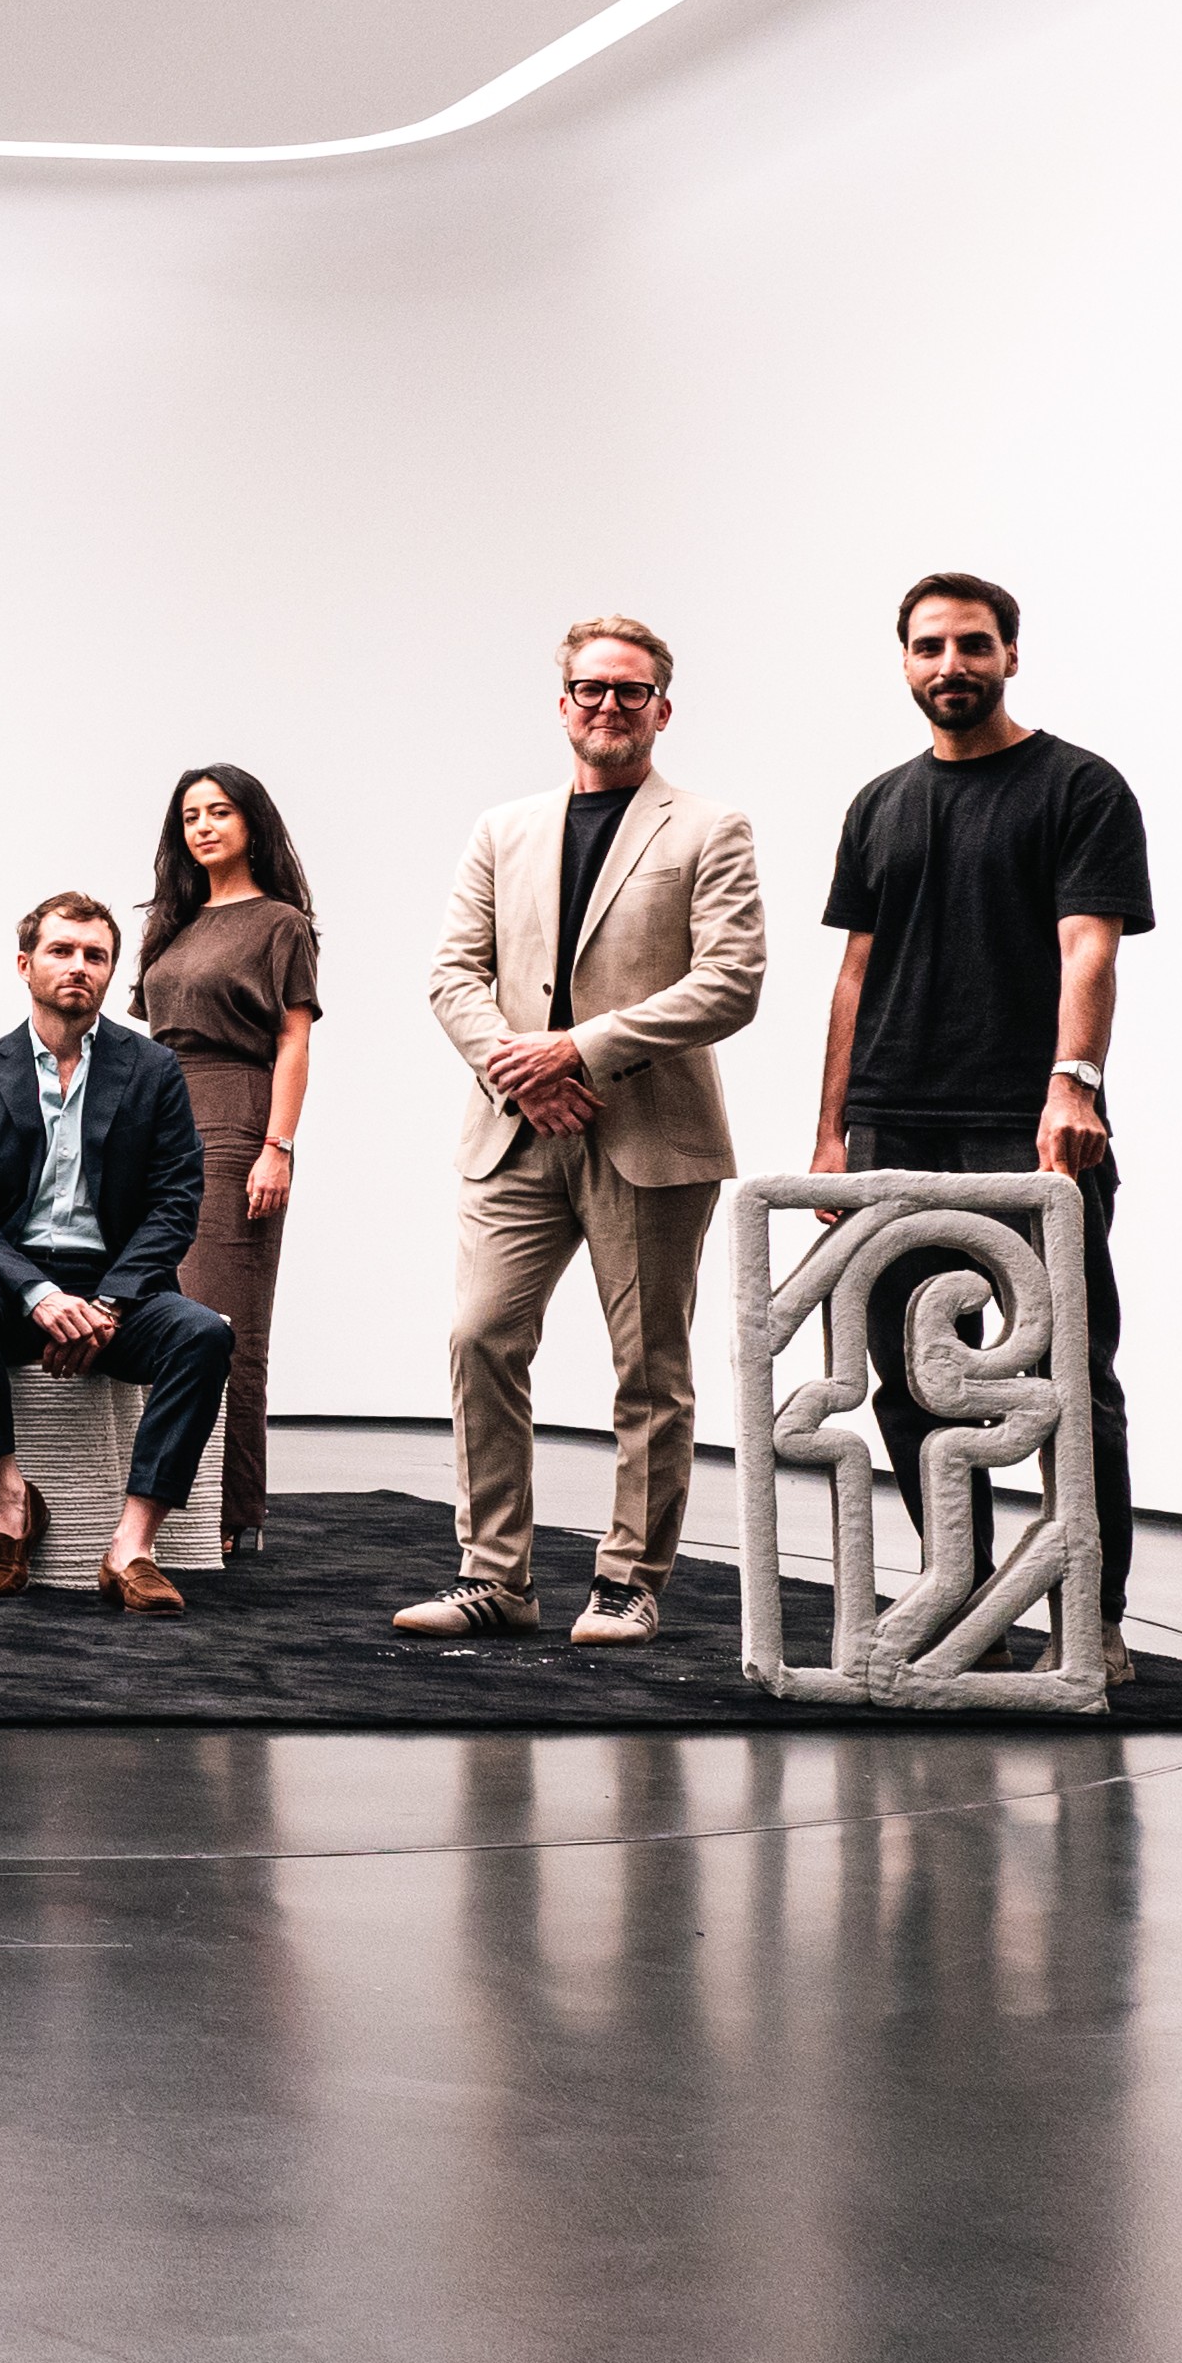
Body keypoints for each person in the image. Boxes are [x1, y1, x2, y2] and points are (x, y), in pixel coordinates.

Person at [812, 571, 1154, 1672]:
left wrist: (1073, 1084)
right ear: (905, 663)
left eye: (970, 644)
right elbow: (854, 976)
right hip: (891, 1127)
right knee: (914, 1381)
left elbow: (1087, 946)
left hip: (1026, 1123)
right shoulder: (878, 804)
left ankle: (1091, 1618)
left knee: (1068, 1382)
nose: (949, 665)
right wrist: (831, 1133)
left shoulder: (1079, 786)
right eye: (929, 647)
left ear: (1010, 653)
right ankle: (963, 1593)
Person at [410, 617, 767, 1646]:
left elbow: (730, 982)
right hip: (515, 1129)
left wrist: (578, 1050)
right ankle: (494, 1577)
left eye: (630, 689)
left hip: (648, 1132)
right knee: (479, 1337)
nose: (609, 704)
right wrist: (521, 1074)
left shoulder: (710, 827)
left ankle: (628, 1582)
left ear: (663, 707)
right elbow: (452, 974)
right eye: (591, 688)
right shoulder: (502, 828)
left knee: (648, 1368)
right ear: (561, 703)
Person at [0, 894, 238, 1612]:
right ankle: (8, 1506)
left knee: (205, 1335)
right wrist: (40, 1296)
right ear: (24, 964)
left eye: (96, 955)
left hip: (118, 1287)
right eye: (62, 951)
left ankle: (131, 1546)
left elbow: (175, 1202)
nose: (79, 967)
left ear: (110, 971)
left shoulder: (153, 1069)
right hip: (14, 1287)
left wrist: (108, 1304)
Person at [133, 765, 321, 1554]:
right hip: (156, 1116)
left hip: (235, 1115)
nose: (203, 826)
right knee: (153, 1306)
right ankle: (153, 1500)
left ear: (252, 825)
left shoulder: (280, 923)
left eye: (219, 812)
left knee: (221, 1315)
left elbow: (293, 1041)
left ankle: (229, 1510)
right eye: (190, 816)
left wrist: (277, 1147)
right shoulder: (172, 922)